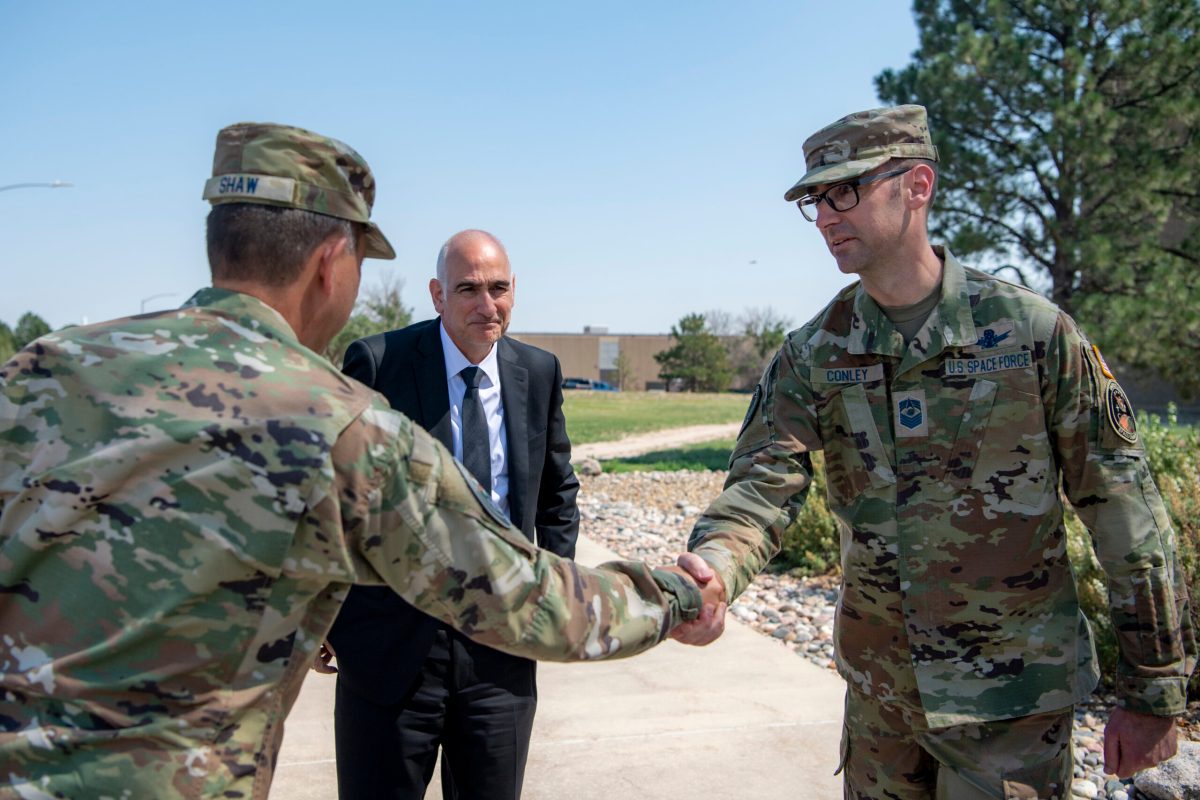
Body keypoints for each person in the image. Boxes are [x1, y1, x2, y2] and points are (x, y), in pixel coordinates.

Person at [0, 122, 722, 799]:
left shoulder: (41, 371)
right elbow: (527, 598)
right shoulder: (338, 424)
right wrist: (678, 598)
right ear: (330, 263)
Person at [680, 105, 1196, 798]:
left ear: (916, 185)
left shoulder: (1031, 335)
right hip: (881, 703)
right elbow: (764, 485)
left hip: (1011, 708)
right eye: (814, 200)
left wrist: (1155, 687)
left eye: (845, 191)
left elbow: (1125, 509)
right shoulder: (813, 353)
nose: (827, 216)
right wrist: (714, 568)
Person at [327, 229, 579, 799]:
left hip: (501, 652)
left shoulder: (539, 372)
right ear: (438, 294)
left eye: (498, 288)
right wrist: (332, 615)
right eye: (468, 289)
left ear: (514, 290)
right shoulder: (379, 363)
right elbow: (337, 500)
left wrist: (551, 593)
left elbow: (557, 494)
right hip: (393, 652)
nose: (486, 306)